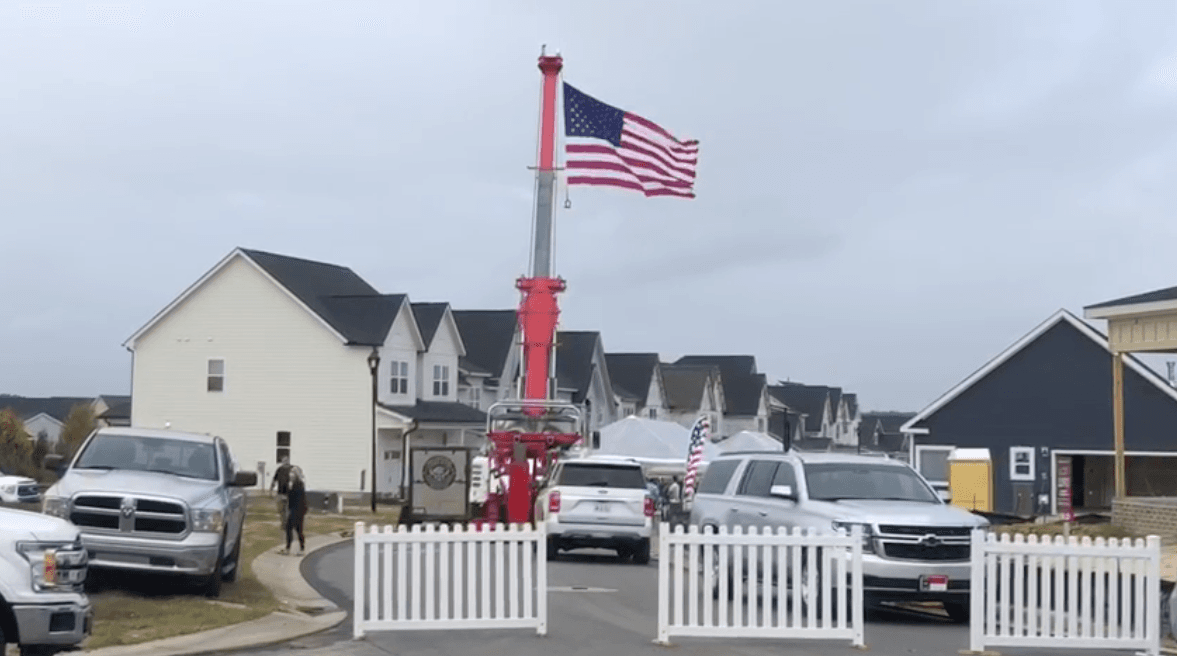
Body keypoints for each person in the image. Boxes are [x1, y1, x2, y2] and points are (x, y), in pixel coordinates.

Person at [282, 466, 308, 555]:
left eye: (292, 473)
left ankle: (296, 548)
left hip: (298, 509)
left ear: (296, 474)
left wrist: (290, 488)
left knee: (293, 528)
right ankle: (296, 547)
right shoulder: (291, 484)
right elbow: (289, 496)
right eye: (290, 473)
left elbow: (297, 496)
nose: (291, 474)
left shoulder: (299, 484)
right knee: (295, 529)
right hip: (293, 508)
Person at [270, 456, 292, 527]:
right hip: (280, 493)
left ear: (289, 461)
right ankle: (283, 523)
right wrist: (271, 488)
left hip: (290, 493)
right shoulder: (279, 469)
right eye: (284, 460)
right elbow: (275, 478)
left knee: (289, 509)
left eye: (286, 460)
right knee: (281, 509)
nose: (285, 462)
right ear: (282, 461)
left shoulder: (293, 469)